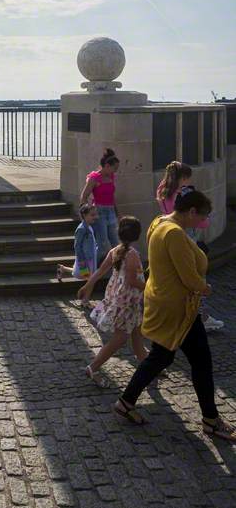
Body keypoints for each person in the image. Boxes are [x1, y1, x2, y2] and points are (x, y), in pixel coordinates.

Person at [113, 187, 236, 441]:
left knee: (161, 357)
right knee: (201, 363)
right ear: (191, 211)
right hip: (179, 309)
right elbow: (189, 277)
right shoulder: (175, 234)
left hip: (162, 302)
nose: (201, 222)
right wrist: (205, 288)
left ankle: (125, 403)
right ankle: (211, 421)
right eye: (200, 216)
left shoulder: (159, 222)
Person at [77, 217, 147, 388]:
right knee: (120, 338)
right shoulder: (133, 255)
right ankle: (93, 367)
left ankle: (148, 366)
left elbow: (100, 271)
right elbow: (132, 280)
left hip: (123, 301)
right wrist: (151, 287)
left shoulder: (115, 251)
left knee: (137, 335)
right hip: (128, 303)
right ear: (138, 235)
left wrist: (87, 286)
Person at [156, 161, 224, 332]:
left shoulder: (162, 190)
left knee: (175, 278)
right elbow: (199, 221)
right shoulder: (185, 194)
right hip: (186, 236)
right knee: (195, 276)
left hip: (167, 233)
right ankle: (202, 318)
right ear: (183, 177)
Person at [80, 148, 120, 260]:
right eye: (114, 168)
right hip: (99, 212)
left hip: (111, 211)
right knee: (102, 243)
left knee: (115, 241)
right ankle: (92, 268)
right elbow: (83, 197)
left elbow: (112, 197)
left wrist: (118, 214)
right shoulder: (94, 178)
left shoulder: (111, 177)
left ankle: (118, 267)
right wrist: (87, 214)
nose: (115, 171)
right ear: (107, 166)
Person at [57, 203, 99, 283]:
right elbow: (77, 246)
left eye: (96, 214)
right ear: (84, 215)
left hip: (90, 256)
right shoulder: (81, 229)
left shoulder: (89, 226)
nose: (95, 217)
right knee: (86, 276)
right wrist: (81, 260)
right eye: (92, 215)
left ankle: (62, 268)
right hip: (84, 258)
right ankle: (86, 293)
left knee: (82, 274)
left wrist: (95, 247)